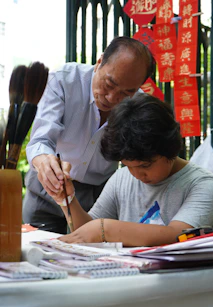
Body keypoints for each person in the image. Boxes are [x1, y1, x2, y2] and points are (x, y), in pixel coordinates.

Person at [23, 36, 155, 234]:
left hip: (97, 199)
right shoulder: (63, 80)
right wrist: (43, 161)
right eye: (109, 84)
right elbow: (41, 139)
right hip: (46, 190)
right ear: (99, 62)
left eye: (127, 93)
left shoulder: (138, 106)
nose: (112, 98)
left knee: (90, 258)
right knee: (38, 257)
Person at [49, 93, 213, 247]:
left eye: (145, 165)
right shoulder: (122, 178)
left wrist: (105, 229)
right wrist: (67, 199)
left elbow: (177, 236)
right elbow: (86, 233)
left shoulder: (203, 185)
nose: (137, 174)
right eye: (128, 165)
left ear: (170, 149)